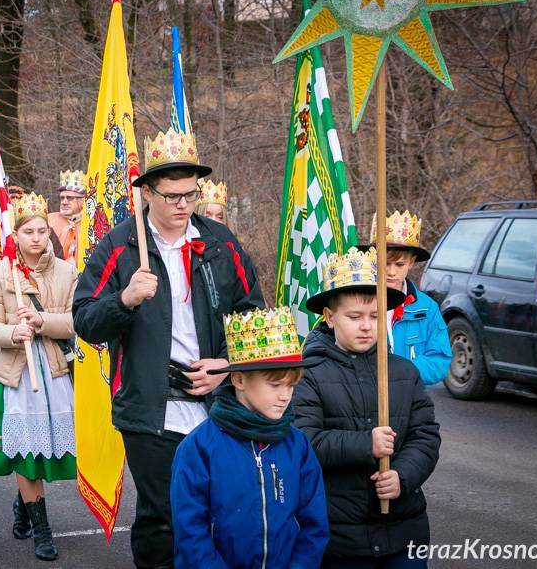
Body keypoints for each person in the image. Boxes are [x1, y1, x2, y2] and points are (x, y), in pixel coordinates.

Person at [73, 128, 264, 568]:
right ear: (147, 193)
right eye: (172, 196)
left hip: (217, 403)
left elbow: (253, 316)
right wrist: (124, 300)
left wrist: (226, 365)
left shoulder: (220, 244)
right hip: (150, 409)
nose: (183, 205)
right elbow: (85, 320)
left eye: (191, 194)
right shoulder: (120, 246)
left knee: (222, 511)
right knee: (163, 518)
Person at [291, 247, 441, 569]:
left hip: (404, 530)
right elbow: (304, 441)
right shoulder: (309, 375)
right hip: (342, 537)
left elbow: (425, 436)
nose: (366, 326)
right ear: (329, 317)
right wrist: (365, 444)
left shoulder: (404, 372)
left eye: (374, 316)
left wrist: (403, 476)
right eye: (355, 317)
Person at [171, 306, 329, 569]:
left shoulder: (298, 445)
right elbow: (191, 532)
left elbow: (314, 525)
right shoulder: (198, 447)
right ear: (239, 379)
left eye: (291, 385)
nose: (285, 396)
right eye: (275, 385)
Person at [0, 192, 77, 562]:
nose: (36, 238)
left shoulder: (67, 272)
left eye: (41, 231)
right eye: (28, 232)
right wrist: (13, 332)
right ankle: (42, 530)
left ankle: (24, 505)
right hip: (14, 373)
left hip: (53, 369)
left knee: (46, 448)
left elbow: (78, 321)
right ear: (15, 235)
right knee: (25, 449)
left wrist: (41, 321)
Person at [357, 211, 451, 386]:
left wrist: (399, 371)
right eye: (385, 263)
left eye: (399, 264)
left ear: (411, 262)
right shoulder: (356, 303)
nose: (391, 272)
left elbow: (439, 361)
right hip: (366, 395)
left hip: (410, 397)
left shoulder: (427, 308)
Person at [47, 170, 86, 265]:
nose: (64, 202)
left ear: (83, 200)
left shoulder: (91, 223)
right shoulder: (49, 220)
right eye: (62, 198)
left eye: (69, 198)